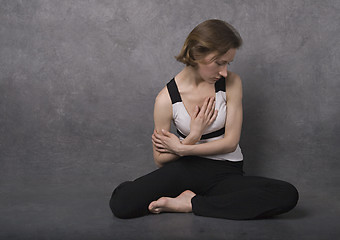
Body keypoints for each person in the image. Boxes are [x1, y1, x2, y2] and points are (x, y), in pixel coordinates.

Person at [109, 19, 299, 220]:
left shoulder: (232, 83)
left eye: (228, 63)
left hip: (225, 171)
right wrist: (193, 136)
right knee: (122, 204)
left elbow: (230, 143)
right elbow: (160, 160)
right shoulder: (166, 99)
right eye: (219, 63)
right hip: (185, 170)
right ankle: (203, 202)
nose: (224, 72)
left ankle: (190, 203)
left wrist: (183, 148)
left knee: (286, 194)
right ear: (195, 55)